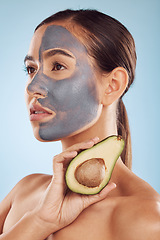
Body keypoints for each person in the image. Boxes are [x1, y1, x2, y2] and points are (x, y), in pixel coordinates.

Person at [0, 9, 159, 240]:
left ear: (112, 85)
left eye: (58, 66)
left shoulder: (146, 218)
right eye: (31, 69)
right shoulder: (25, 191)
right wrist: (40, 221)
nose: (32, 86)